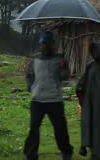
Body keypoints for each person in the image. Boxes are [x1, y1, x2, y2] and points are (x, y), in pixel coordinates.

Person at [24, 31, 74, 160]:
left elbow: (65, 77)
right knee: (34, 129)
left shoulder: (59, 59)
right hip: (37, 100)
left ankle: (66, 152)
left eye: (48, 44)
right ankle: (31, 154)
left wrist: (64, 67)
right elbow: (29, 75)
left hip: (54, 99)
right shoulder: (35, 59)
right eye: (43, 44)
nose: (45, 46)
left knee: (60, 128)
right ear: (41, 44)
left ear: (53, 44)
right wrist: (31, 87)